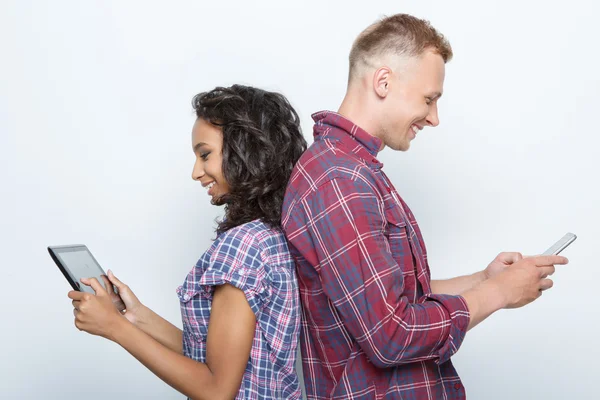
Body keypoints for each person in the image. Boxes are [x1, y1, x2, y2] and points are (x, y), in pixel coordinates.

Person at [281, 14, 568, 399]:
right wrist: (498, 294)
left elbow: (387, 296)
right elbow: (390, 335)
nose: (433, 118)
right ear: (383, 82)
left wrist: (485, 278)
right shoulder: (341, 180)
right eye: (429, 99)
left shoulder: (351, 171)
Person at [68, 84, 308, 399]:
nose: (196, 172)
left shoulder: (242, 246)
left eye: (205, 154)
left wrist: (114, 327)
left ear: (245, 150)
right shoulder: (269, 236)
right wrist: (136, 316)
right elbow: (222, 359)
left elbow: (217, 389)